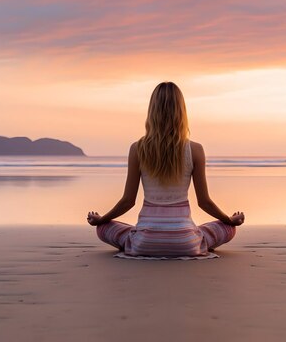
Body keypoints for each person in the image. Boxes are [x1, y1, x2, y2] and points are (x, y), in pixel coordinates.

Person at [87, 82, 244, 257]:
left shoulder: (138, 149)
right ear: (182, 112)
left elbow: (128, 201)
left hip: (144, 243)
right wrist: (229, 220)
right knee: (228, 228)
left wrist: (101, 220)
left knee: (103, 228)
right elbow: (204, 202)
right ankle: (189, 237)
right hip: (185, 243)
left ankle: (145, 238)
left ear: (152, 111)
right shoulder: (195, 150)